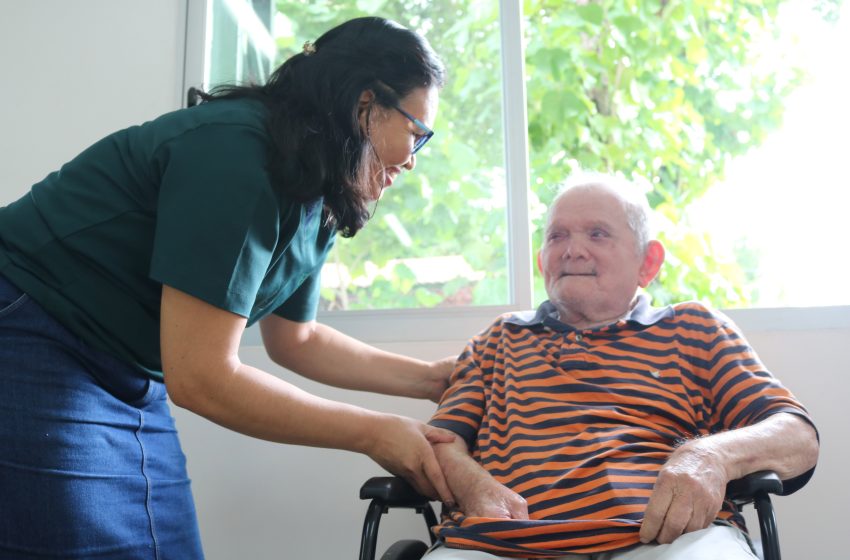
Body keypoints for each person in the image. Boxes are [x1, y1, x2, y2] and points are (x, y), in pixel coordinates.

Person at [0, 16, 457, 559]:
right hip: (32, 329)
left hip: (130, 372)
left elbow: (297, 340)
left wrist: (432, 379)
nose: (410, 160)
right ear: (366, 105)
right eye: (415, 134)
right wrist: (374, 433)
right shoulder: (240, 151)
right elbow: (201, 377)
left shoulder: (319, 189)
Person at [424, 173, 819, 559]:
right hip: (508, 545)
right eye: (557, 236)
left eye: (597, 234)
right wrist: (472, 483)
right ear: (542, 261)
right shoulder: (498, 339)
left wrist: (710, 456)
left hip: (668, 538)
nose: (572, 250)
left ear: (647, 262)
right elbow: (438, 444)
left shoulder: (693, 328)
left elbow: (797, 437)